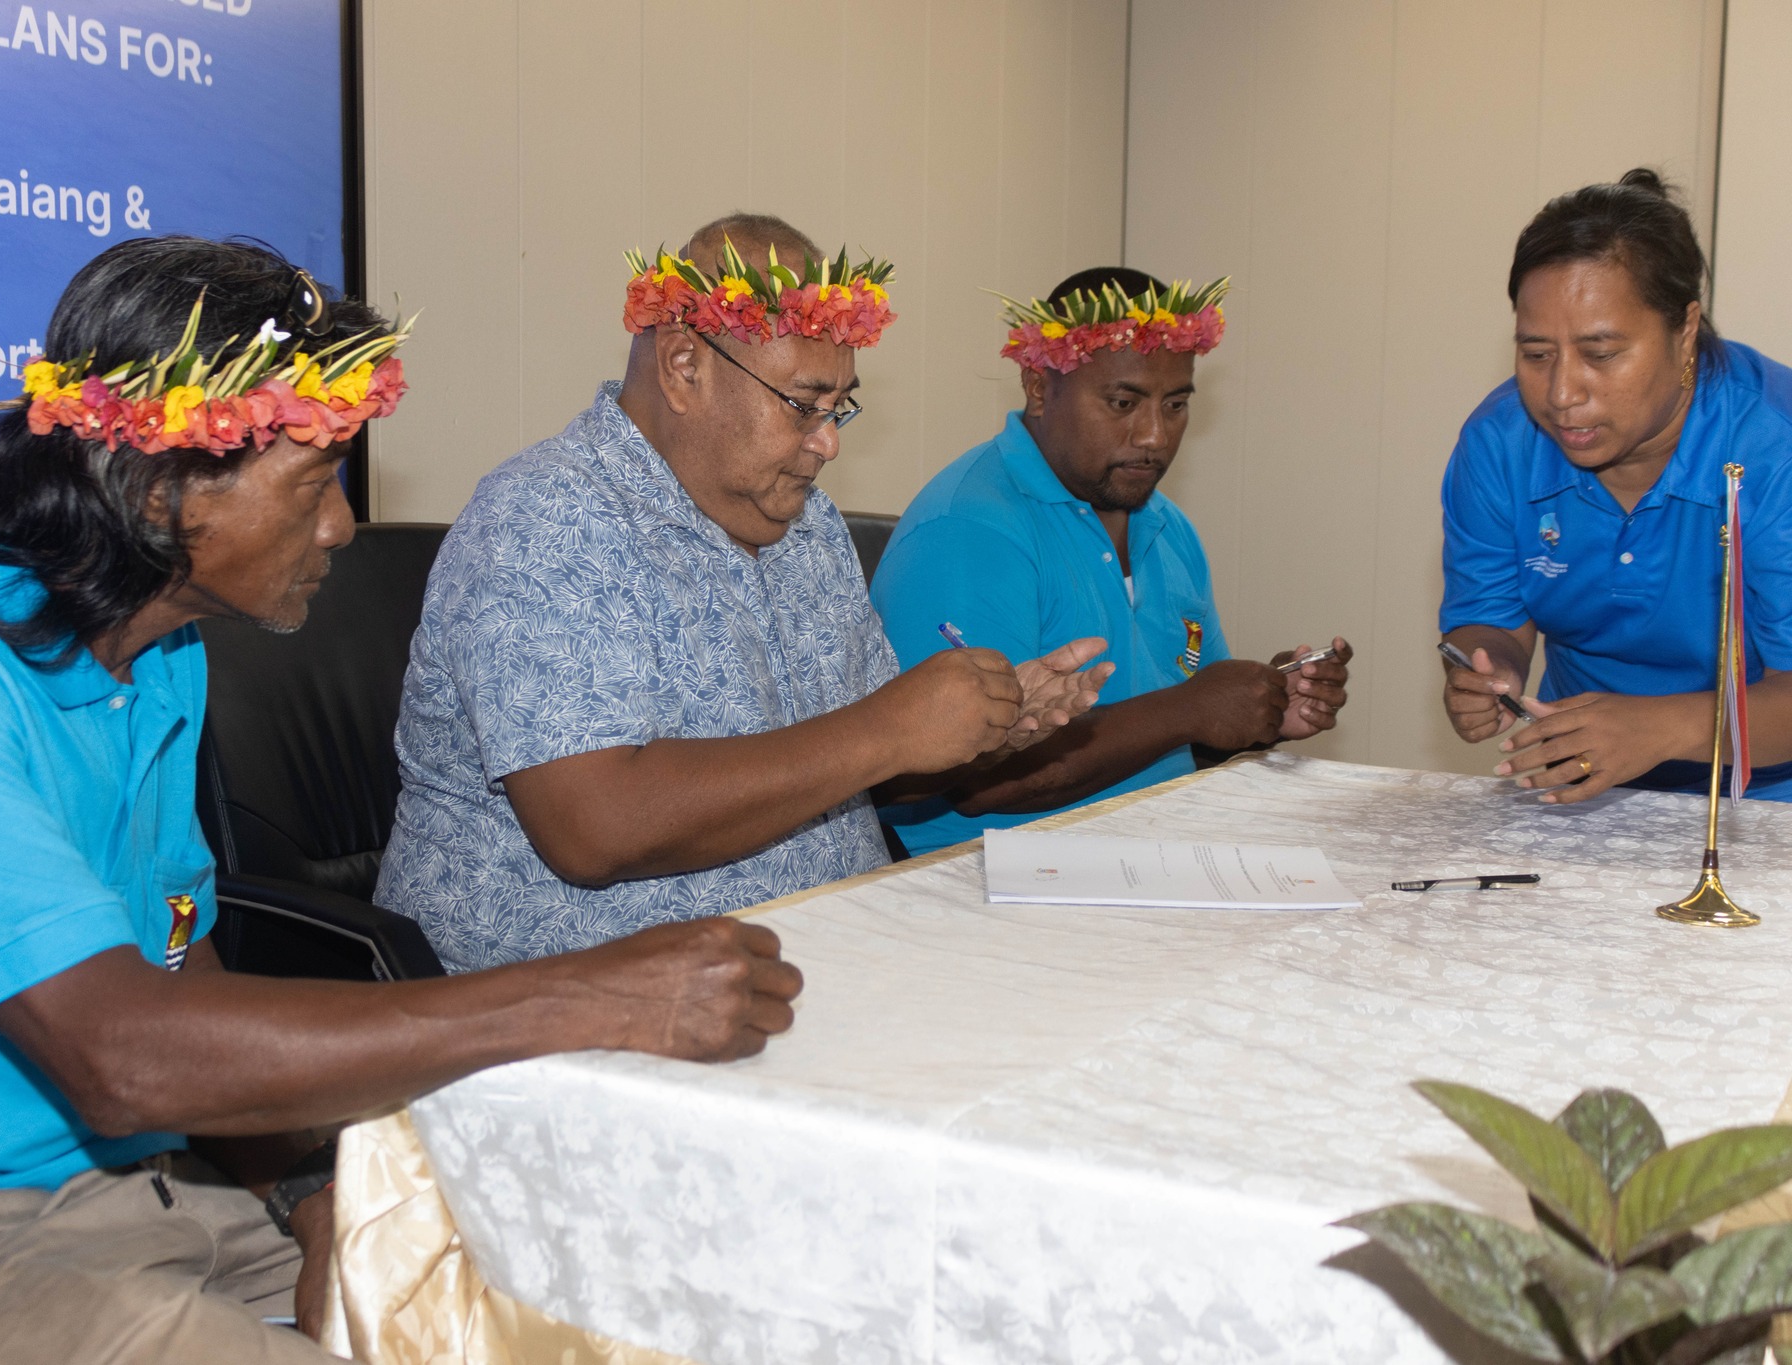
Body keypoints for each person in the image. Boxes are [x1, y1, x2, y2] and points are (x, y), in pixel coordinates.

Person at [0, 237, 806, 1365]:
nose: (343, 526)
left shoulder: (154, 648)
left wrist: (311, 1201)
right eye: (313, 483)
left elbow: (178, 962)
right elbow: (124, 1060)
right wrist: (581, 999)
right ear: (158, 490)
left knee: (582, 1311)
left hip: (141, 1202)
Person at [374, 213, 1111, 972]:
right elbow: (596, 828)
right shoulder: (547, 518)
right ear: (685, 365)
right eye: (802, 404)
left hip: (825, 967)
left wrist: (981, 731)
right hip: (574, 1016)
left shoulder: (809, 523)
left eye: (839, 408)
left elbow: (861, 773)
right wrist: (887, 729)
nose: (828, 442)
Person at [870, 267, 1354, 855]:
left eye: (1175, 404)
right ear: (1040, 388)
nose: (1153, 435)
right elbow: (978, 779)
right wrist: (1189, 709)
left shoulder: (1168, 527)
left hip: (1153, 850)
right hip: (985, 877)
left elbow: (1177, 742)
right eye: (1123, 402)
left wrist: (1262, 711)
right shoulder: (968, 529)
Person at [1440, 169, 1792, 804]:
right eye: (1536, 354)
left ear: (1685, 332)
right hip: (1586, 784)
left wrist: (1661, 726)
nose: (1562, 394)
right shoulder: (1500, 444)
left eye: (1601, 354)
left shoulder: (1775, 447)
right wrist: (1489, 671)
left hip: (1768, 796)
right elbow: (1488, 620)